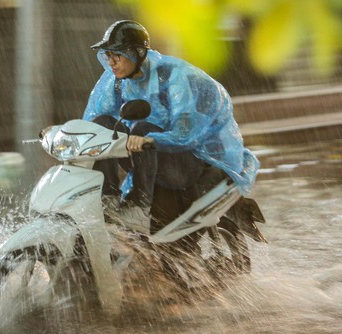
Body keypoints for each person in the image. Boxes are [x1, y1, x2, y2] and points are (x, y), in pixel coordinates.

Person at [84, 20, 260, 234]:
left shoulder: (173, 76)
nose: (111, 62)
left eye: (117, 54)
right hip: (146, 157)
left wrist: (150, 140)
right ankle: (108, 200)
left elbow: (185, 133)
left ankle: (139, 207)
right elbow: (92, 119)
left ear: (138, 52)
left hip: (187, 160)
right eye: (108, 55)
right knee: (102, 125)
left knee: (142, 128)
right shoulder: (117, 81)